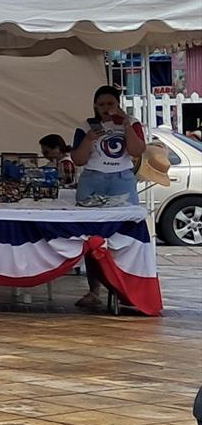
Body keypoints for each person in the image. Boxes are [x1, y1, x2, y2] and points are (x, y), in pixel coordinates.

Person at [69, 85, 146, 309]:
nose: (105, 108)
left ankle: (124, 288)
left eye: (110, 103)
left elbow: (137, 150)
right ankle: (94, 290)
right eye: (101, 104)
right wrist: (88, 139)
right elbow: (78, 159)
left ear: (118, 104)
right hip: (93, 179)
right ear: (95, 106)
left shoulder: (131, 123)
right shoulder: (86, 126)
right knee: (91, 236)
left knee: (125, 233)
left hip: (121, 178)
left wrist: (126, 125)